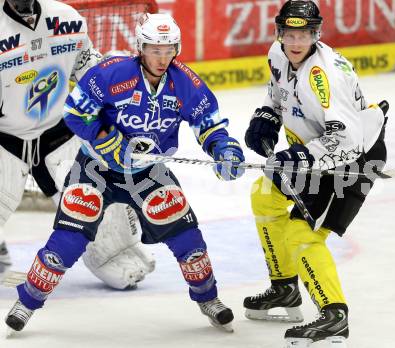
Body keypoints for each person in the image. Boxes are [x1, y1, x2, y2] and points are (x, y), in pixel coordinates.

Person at [5, 12, 245, 333]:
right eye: (155, 50)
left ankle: (208, 299)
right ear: (140, 48)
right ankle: (28, 301)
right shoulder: (111, 73)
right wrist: (107, 140)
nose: (162, 58)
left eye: (169, 49)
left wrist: (222, 149)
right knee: (67, 242)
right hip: (95, 169)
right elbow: (75, 113)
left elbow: (209, 123)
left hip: (148, 173)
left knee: (188, 239)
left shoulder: (185, 82)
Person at [243, 1, 388, 346]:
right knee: (263, 195)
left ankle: (334, 315)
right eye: (290, 34)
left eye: (305, 34)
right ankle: (284, 288)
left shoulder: (326, 76)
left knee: (302, 234)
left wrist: (301, 157)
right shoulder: (278, 55)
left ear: (316, 35)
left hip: (350, 161)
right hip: (312, 157)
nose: (296, 42)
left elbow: (348, 140)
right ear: (279, 33)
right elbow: (278, 94)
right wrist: (267, 115)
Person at [0, 0, 156, 290]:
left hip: (58, 137)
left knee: (106, 228)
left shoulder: (65, 18)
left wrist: (119, 121)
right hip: (5, 143)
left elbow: (92, 77)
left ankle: (115, 249)